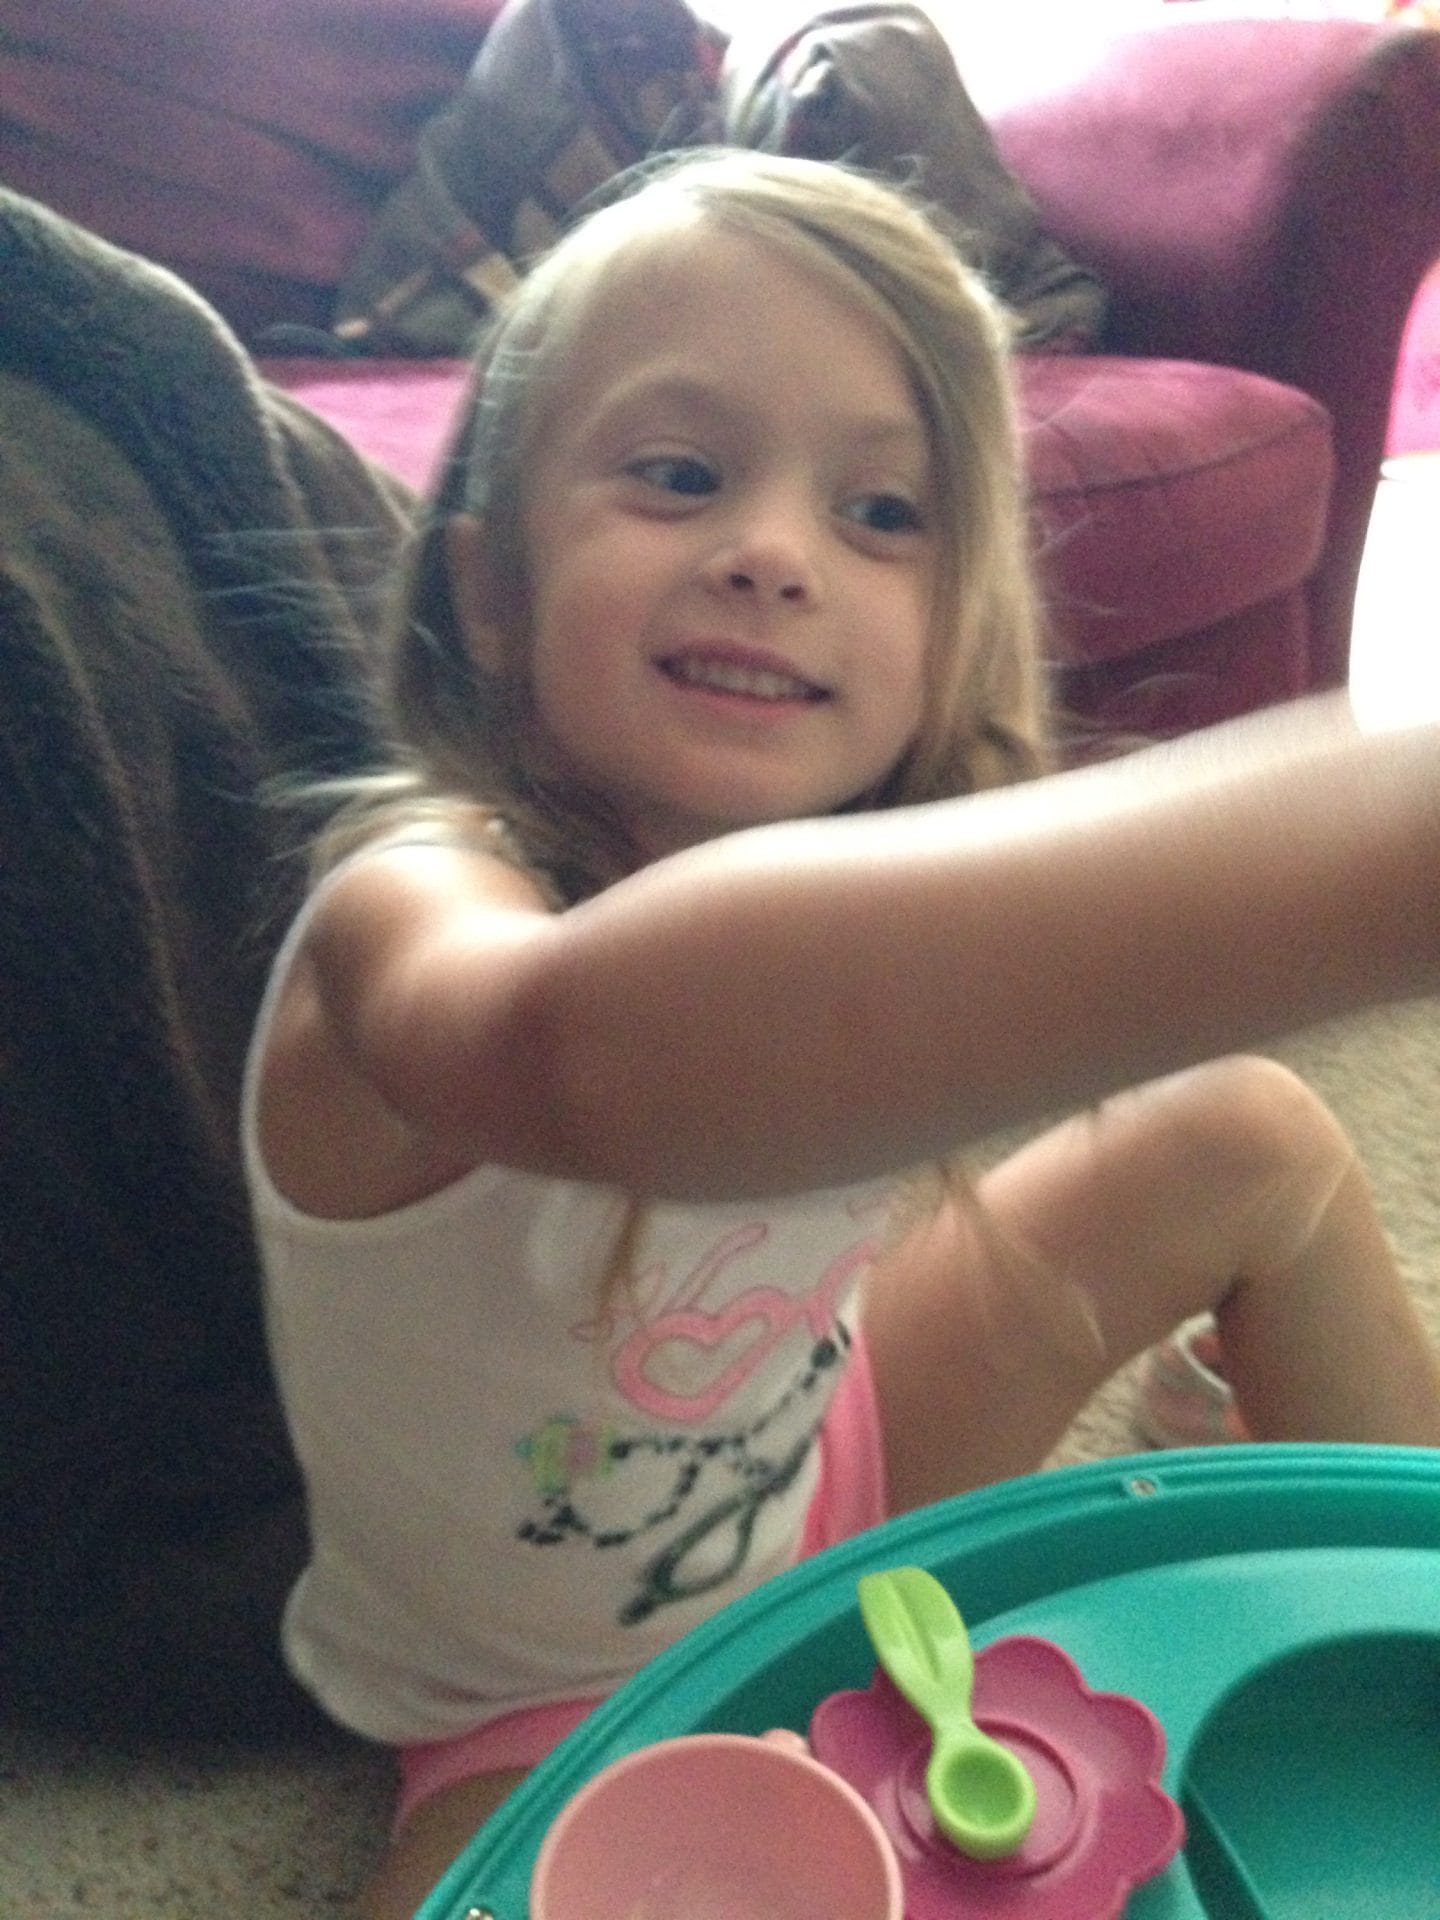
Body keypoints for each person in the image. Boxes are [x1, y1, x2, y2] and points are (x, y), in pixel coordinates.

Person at [241, 148, 1440, 1917]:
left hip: (835, 1457)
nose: (773, 555)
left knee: (1247, 1137)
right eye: (679, 475)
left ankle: (1390, 1596)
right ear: (490, 591)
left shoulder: (866, 879)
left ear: (952, 637)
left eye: (882, 514)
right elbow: (591, 1052)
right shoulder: (406, 906)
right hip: (541, 1700)